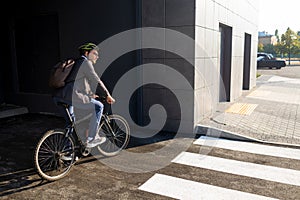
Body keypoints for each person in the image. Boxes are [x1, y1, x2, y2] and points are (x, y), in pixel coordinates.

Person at [52, 42, 115, 148]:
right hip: (71, 96)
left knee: (71, 124)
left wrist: (90, 94)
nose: (97, 56)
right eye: (95, 53)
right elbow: (96, 80)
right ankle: (92, 138)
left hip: (59, 96)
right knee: (99, 106)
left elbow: (79, 83)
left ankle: (65, 152)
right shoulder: (85, 62)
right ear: (86, 53)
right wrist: (107, 94)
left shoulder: (76, 63)